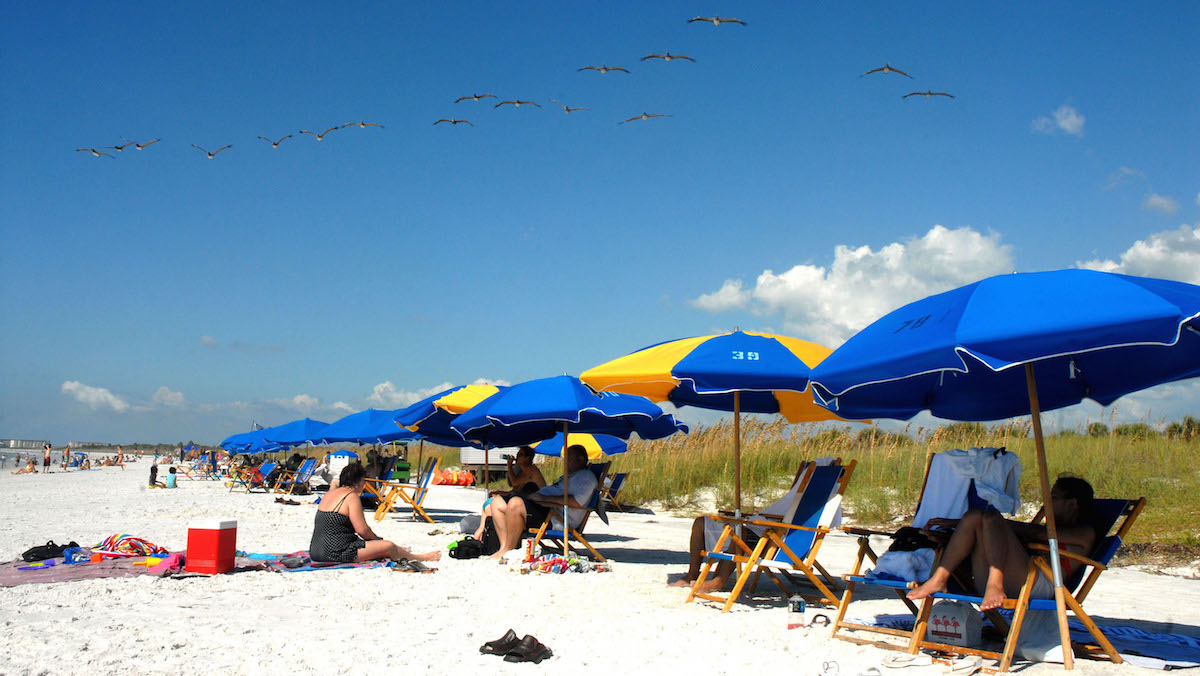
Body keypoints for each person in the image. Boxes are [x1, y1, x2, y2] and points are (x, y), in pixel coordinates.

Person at [907, 477, 1099, 610]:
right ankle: (939, 579)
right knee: (974, 516)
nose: (1047, 501)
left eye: (1054, 498)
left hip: (1038, 587)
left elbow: (1037, 532)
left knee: (990, 517)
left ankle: (995, 583)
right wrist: (962, 522)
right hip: (1014, 580)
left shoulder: (1085, 533)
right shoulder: (1057, 526)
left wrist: (995, 522)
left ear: (1072, 504)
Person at [309, 463, 441, 564]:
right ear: (356, 482)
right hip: (335, 552)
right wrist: (376, 540)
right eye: (363, 480)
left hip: (315, 551)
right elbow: (362, 530)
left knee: (377, 545)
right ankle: (421, 557)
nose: (365, 484)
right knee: (389, 546)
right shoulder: (351, 496)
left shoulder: (330, 494)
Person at [482, 445, 598, 560]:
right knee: (497, 501)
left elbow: (576, 502)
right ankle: (504, 547)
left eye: (568, 457)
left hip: (555, 517)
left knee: (515, 503)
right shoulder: (570, 476)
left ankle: (508, 549)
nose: (565, 460)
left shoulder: (586, 476)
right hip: (543, 507)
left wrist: (544, 498)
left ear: (580, 459)